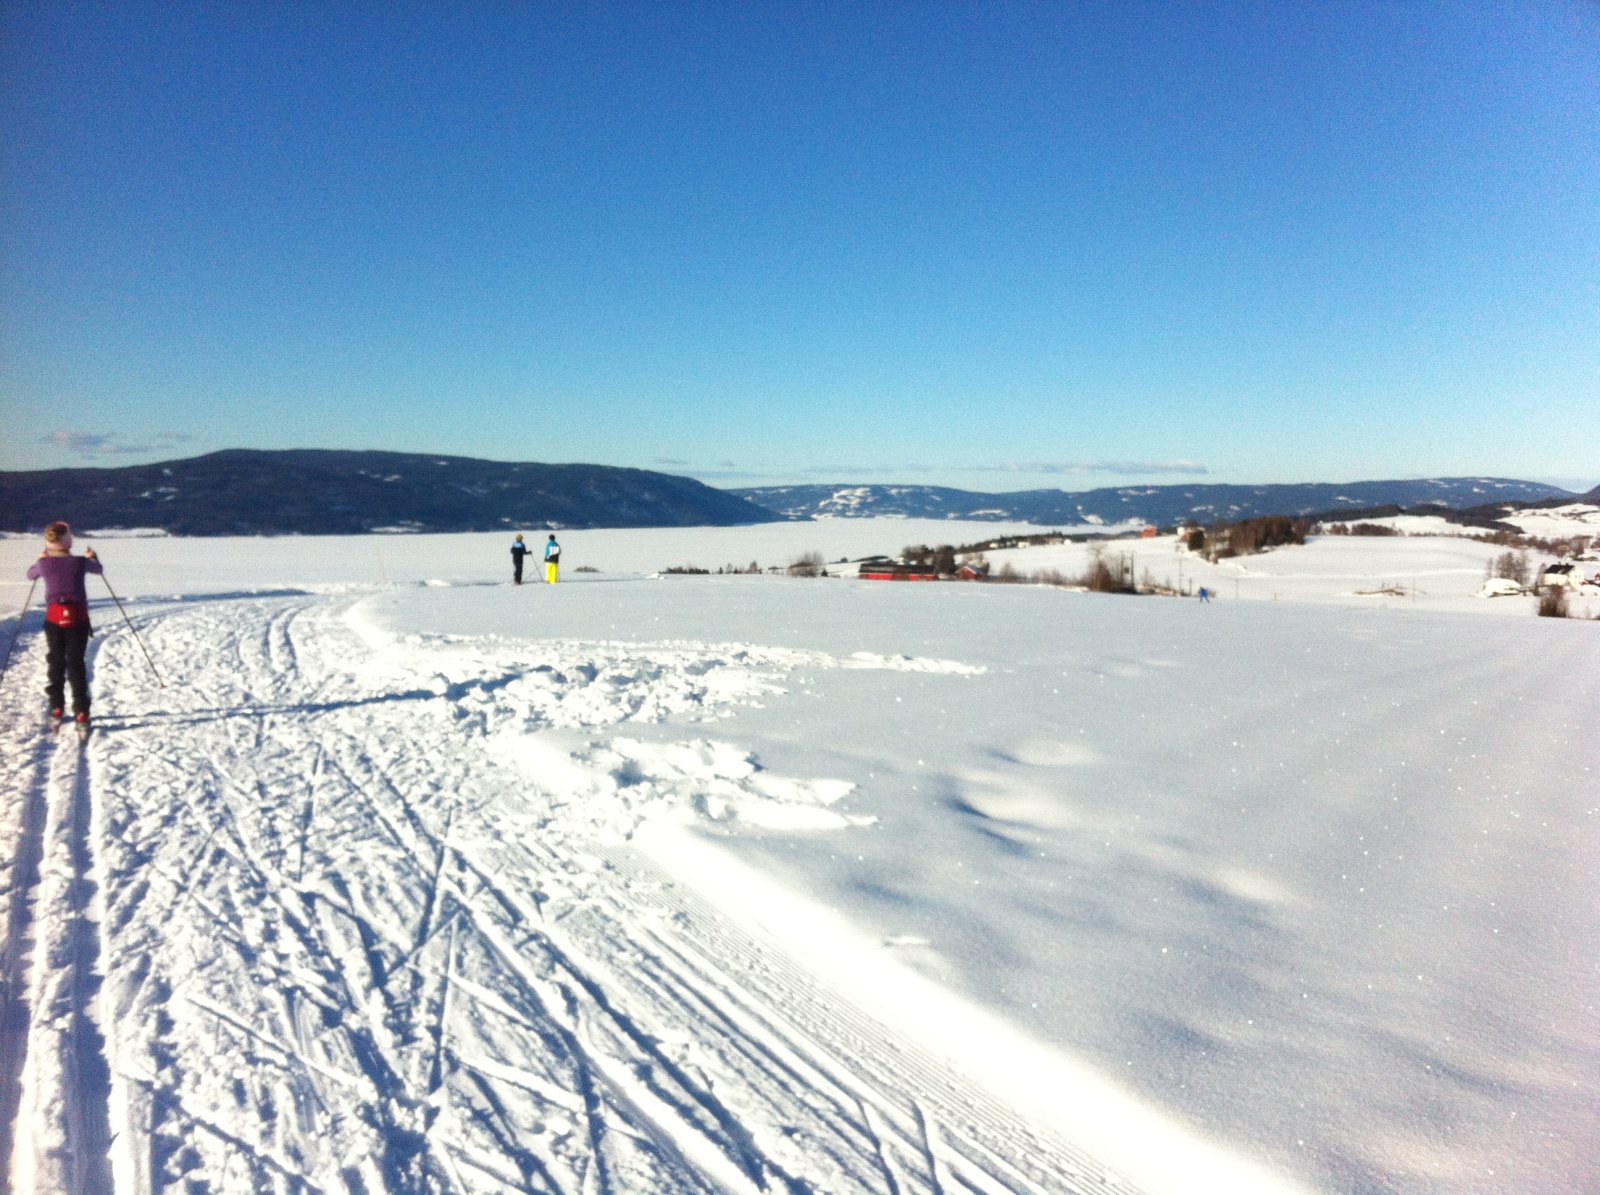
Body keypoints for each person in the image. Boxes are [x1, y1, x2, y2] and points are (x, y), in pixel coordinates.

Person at [25, 521, 103, 728]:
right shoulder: (80, 562)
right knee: (76, 663)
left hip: (54, 619)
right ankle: (82, 712)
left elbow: (30, 575)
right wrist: (92, 557)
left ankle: (57, 706)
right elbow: (98, 569)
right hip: (78, 618)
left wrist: (41, 559)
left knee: (56, 661)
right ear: (68, 541)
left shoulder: (44, 564)